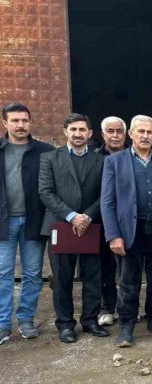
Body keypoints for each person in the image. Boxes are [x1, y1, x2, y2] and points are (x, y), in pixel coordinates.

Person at [100, 115, 152, 347]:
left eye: (149, 133)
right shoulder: (114, 162)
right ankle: (126, 325)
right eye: (141, 132)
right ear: (131, 135)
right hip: (129, 231)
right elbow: (107, 202)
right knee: (128, 281)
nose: (145, 136)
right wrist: (113, 235)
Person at [39, 113, 108, 342]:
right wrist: (71, 216)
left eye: (82, 130)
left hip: (91, 225)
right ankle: (65, 324)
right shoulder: (49, 158)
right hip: (60, 225)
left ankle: (90, 320)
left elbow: (105, 193)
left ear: (89, 133)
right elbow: (45, 192)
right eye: (73, 129)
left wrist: (87, 215)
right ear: (65, 132)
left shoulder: (102, 161)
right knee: (62, 278)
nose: (78, 134)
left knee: (92, 277)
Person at [0, 103, 53, 345]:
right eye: (15, 121)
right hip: (4, 221)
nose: (21, 125)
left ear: (30, 123)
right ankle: (2, 323)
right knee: (3, 273)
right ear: (5, 123)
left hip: (34, 220)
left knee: (32, 273)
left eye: (24, 120)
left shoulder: (44, 152)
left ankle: (26, 320)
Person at [95, 116, 128, 327]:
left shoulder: (135, 157)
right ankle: (107, 307)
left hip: (127, 221)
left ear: (126, 134)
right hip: (100, 219)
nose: (115, 135)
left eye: (119, 131)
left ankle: (127, 309)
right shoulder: (94, 158)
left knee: (127, 268)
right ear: (102, 134)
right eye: (110, 131)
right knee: (103, 266)